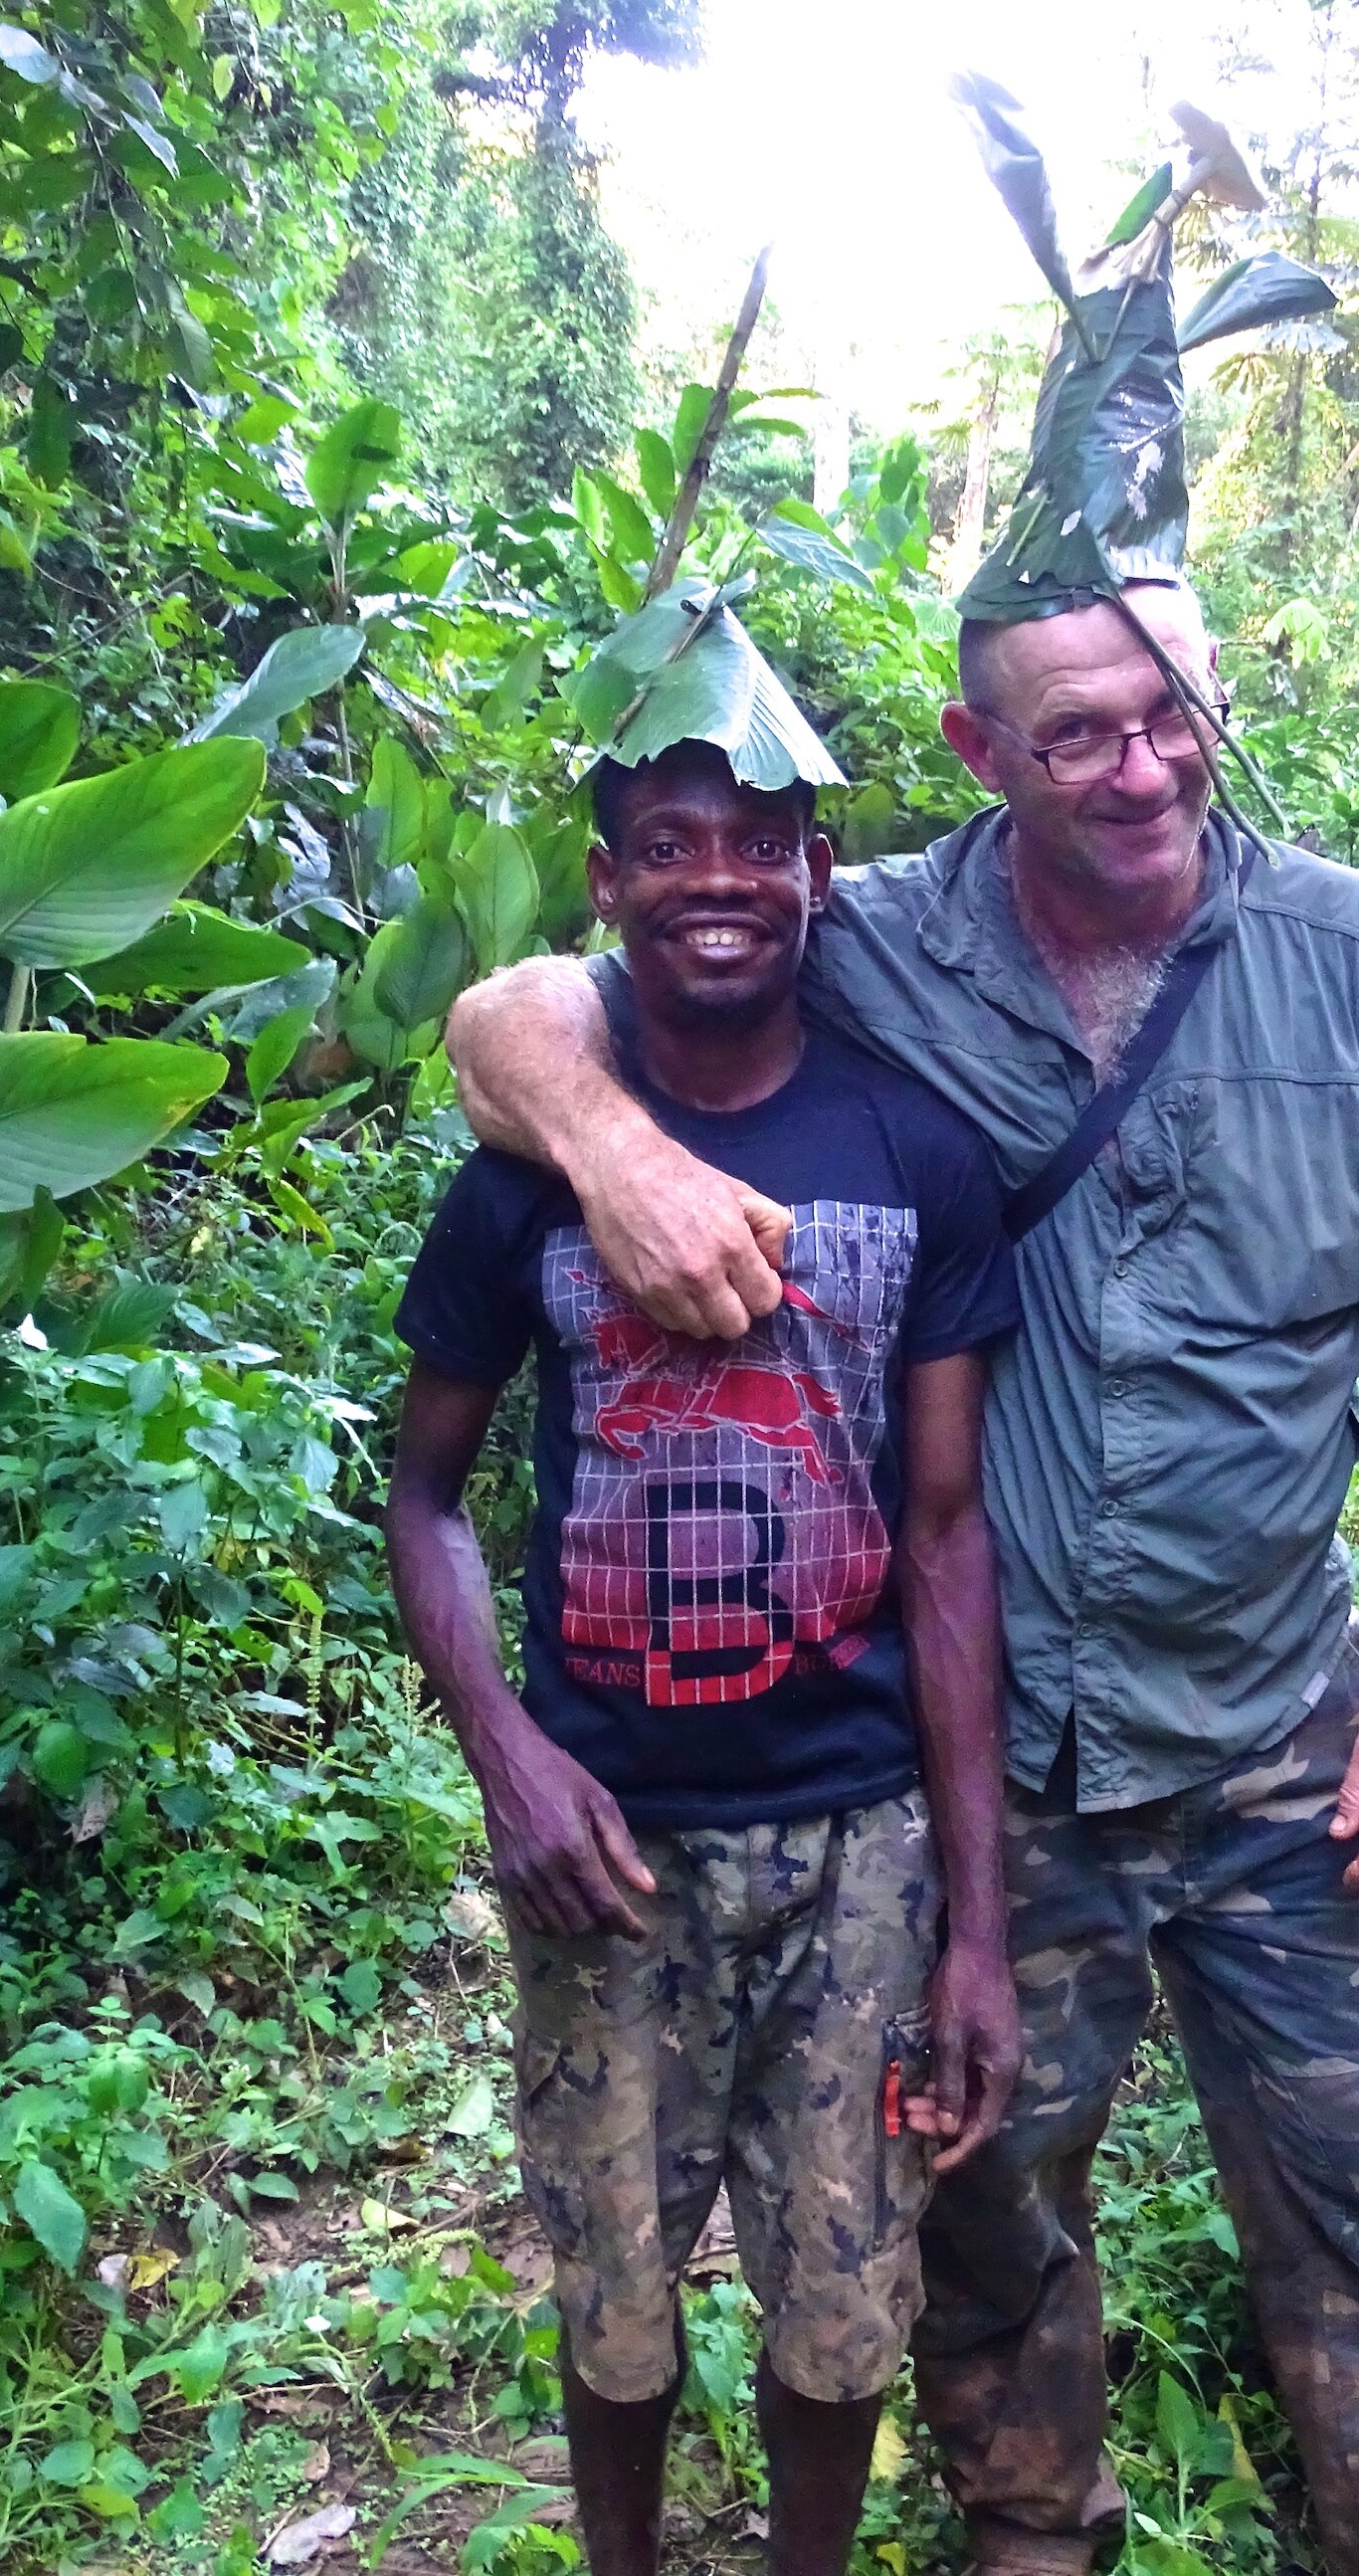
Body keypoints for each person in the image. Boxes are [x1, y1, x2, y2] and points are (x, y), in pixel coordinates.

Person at [439, 92, 1359, 2576]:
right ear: (977, 752)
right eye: (1081, 733)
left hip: (1277, 1721)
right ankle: (1025, 2539)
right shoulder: (881, 942)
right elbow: (523, 1006)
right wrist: (617, 1157)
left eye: (1173, 715)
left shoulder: (1352, 949)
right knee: (981, 2224)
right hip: (1000, 1749)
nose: (1143, 767)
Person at [385, 587, 1026, 2576]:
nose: (721, 879)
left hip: (853, 1837)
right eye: (672, 841)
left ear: (822, 872)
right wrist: (504, 1753)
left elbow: (943, 1535)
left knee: (840, 2305)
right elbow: (422, 1490)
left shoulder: (918, 1151)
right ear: (609, 879)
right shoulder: (529, 1177)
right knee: (617, 2294)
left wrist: (978, 1920)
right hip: (612, 1838)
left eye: (762, 839)